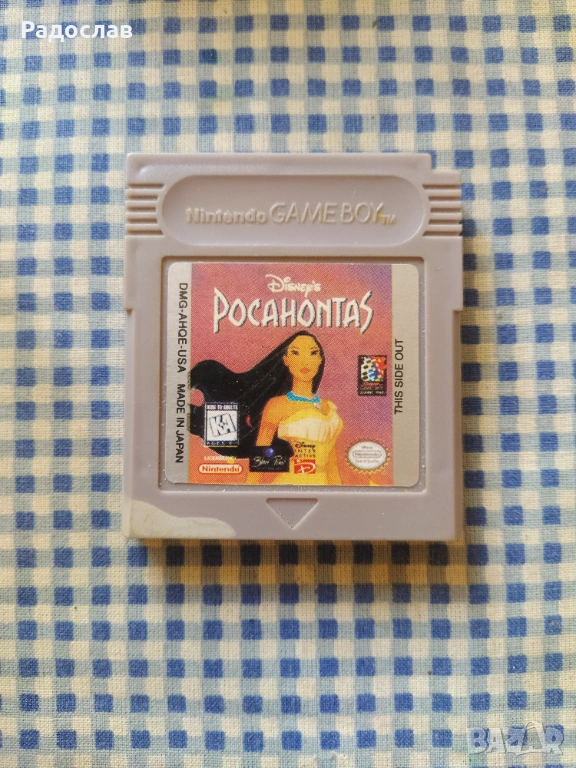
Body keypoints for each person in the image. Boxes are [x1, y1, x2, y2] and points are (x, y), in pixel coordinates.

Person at [189, 331, 342, 485]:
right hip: (290, 484)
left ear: (320, 360)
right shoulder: (277, 406)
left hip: (323, 485)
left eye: (313, 353)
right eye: (295, 353)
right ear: (286, 360)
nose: (305, 361)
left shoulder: (328, 406)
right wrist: (248, 493)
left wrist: (339, 492)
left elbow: (332, 465)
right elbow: (260, 459)